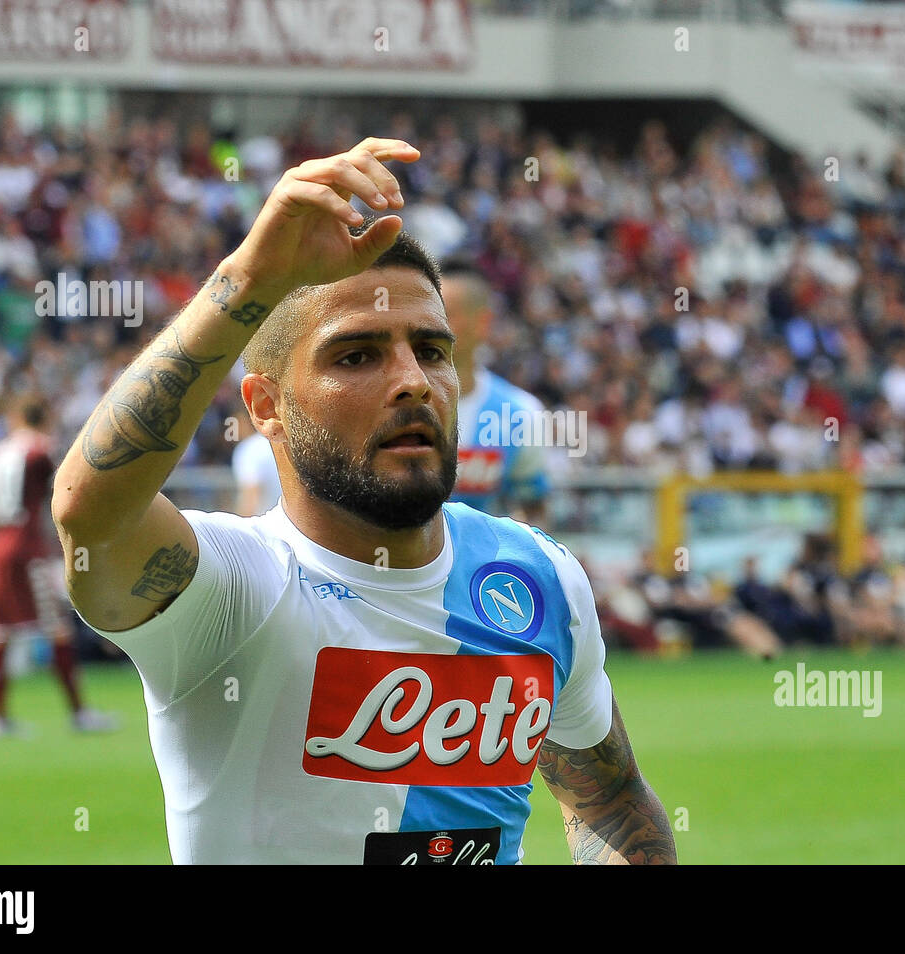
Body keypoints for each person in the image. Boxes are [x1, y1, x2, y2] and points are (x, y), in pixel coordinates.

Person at [52, 138, 676, 865]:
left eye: (432, 350)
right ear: (267, 406)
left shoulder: (541, 578)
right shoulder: (234, 590)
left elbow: (608, 798)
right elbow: (90, 513)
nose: (413, 380)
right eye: (357, 355)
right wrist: (249, 277)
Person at [0, 394, 116, 737]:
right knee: (57, 627)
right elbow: (67, 491)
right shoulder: (41, 449)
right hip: (29, 547)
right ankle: (79, 713)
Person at [439, 259, 550, 520]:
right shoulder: (393, 402)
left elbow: (532, 508)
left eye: (447, 313)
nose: (432, 323)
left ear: (483, 323)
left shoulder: (521, 413)